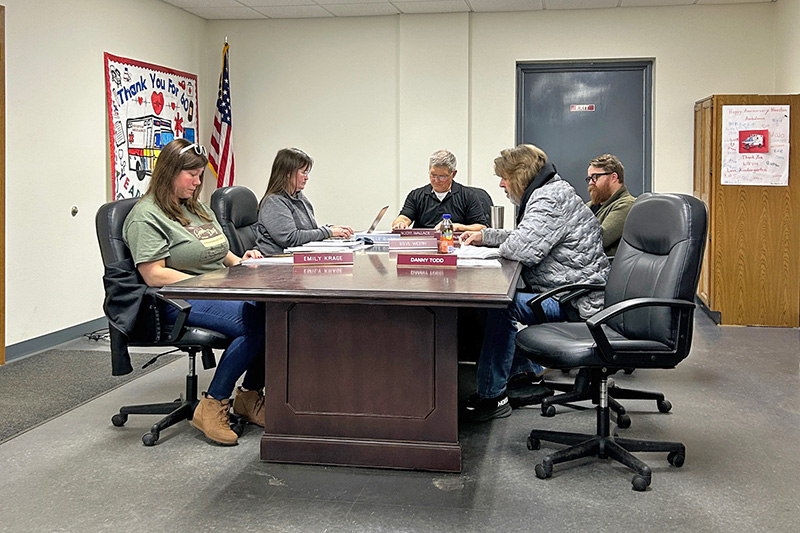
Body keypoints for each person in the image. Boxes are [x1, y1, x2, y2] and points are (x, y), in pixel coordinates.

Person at [123, 138, 266, 446]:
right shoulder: (146, 216)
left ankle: (249, 397)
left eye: (201, 175)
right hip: (175, 299)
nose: (198, 182)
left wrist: (241, 262)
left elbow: (217, 251)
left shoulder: (195, 207)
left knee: (274, 313)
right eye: (192, 175)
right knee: (254, 325)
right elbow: (153, 274)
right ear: (169, 173)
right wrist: (209, 283)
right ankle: (213, 404)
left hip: (215, 290)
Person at [459, 144, 610, 422]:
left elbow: (522, 248)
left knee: (499, 305)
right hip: (572, 291)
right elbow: (526, 235)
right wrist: (486, 237)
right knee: (496, 304)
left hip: (576, 301)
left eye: (504, 178)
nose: (502, 184)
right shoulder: (551, 191)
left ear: (519, 176)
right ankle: (523, 376)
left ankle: (492, 397)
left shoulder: (548, 199)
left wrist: (496, 249)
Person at [256, 147, 353, 255]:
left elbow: (308, 231)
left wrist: (331, 230)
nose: (307, 178)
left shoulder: (299, 197)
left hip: (296, 259)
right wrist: (328, 232)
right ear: (288, 173)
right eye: (303, 172)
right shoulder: (273, 202)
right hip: (276, 263)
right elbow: (290, 238)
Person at [391, 149, 488, 231]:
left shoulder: (468, 196)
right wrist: (400, 223)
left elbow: (481, 227)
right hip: (424, 246)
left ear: (453, 174)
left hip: (455, 245)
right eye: (433, 175)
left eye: (442, 176)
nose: (436, 180)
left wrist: (457, 227)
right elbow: (404, 217)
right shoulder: (416, 195)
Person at [586, 153, 636, 257]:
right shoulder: (589, 206)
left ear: (614, 177)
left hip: (603, 269)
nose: (591, 182)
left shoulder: (626, 205)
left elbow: (597, 240)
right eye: (589, 178)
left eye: (595, 177)